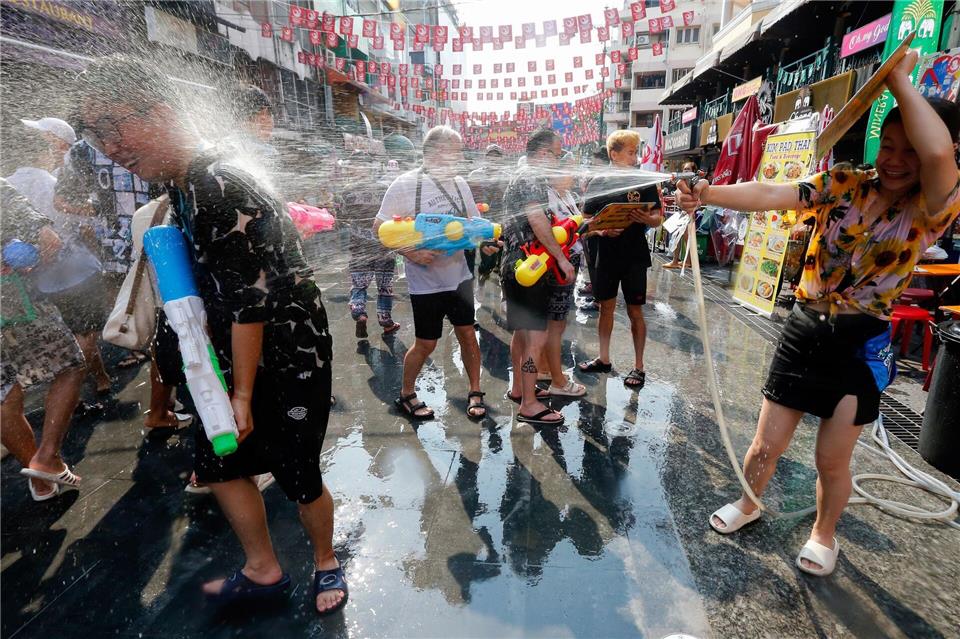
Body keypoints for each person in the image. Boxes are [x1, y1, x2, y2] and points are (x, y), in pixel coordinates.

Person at [76, 55, 345, 614]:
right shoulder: (179, 184)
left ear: (161, 111)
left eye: (112, 125)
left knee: (299, 473)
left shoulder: (216, 179)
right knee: (221, 462)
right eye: (93, 133)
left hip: (286, 352)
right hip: (226, 354)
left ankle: (325, 562)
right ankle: (263, 570)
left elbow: (251, 301)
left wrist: (241, 394)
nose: (109, 145)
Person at [676, 51, 960, 577]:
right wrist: (708, 192)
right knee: (766, 443)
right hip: (804, 329)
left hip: (860, 345)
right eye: (887, 145)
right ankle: (748, 501)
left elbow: (940, 153)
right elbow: (772, 192)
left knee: (831, 460)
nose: (894, 159)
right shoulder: (846, 180)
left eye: (909, 150)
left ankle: (824, 535)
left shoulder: (934, 207)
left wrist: (897, 82)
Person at [373, 126, 497, 420]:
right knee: (427, 343)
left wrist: (486, 243)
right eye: (455, 151)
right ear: (434, 152)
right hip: (425, 282)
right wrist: (412, 253)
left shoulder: (459, 184)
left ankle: (475, 390)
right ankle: (406, 394)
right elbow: (379, 228)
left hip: (460, 276)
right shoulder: (405, 185)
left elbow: (472, 224)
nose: (459, 157)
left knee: (468, 334)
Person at [9, 117, 113, 403]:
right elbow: (80, 225)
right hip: (76, 268)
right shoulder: (53, 183)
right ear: (42, 153)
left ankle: (74, 393)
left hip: (41, 277)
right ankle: (99, 379)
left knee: (67, 332)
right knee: (87, 330)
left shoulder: (8, 187)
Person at [1, 178, 86, 501]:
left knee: (3, 394)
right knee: (71, 364)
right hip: (12, 303)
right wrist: (38, 233)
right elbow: (16, 208)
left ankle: (39, 478)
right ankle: (47, 457)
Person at [577, 130, 663, 389]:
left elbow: (658, 217)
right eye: (630, 152)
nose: (635, 157)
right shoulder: (598, 182)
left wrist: (646, 219)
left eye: (636, 151)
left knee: (635, 310)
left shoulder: (642, 180)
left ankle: (639, 366)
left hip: (634, 254)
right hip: (605, 254)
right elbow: (584, 221)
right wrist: (602, 229)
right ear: (613, 154)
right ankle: (604, 358)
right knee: (606, 308)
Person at [500, 129, 573, 425]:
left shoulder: (519, 176)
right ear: (543, 154)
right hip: (529, 267)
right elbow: (537, 218)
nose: (557, 161)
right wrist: (560, 257)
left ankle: (519, 389)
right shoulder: (531, 177)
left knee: (521, 332)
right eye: (556, 155)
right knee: (536, 337)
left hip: (513, 265)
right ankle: (529, 404)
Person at [535, 151, 586, 397]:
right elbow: (555, 232)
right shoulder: (547, 196)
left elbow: (574, 227)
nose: (573, 176)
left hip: (568, 262)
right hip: (557, 266)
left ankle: (545, 368)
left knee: (557, 322)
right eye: (569, 170)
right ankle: (558, 381)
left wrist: (594, 228)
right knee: (554, 324)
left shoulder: (567, 195)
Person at [340, 151, 400, 338]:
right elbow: (394, 214)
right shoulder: (385, 188)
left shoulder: (347, 190)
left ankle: (359, 312)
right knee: (385, 286)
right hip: (384, 245)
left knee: (359, 285)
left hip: (359, 247)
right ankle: (386, 321)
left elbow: (341, 216)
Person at [467, 144, 512, 283]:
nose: (494, 159)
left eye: (497, 156)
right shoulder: (476, 175)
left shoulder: (506, 177)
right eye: (491, 156)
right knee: (487, 253)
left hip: (500, 220)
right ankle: (484, 271)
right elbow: (468, 197)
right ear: (486, 158)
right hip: (482, 220)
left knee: (498, 251)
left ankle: (495, 270)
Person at [663, 159, 698, 269]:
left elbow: (691, 194)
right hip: (681, 213)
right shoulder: (681, 181)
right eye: (684, 169)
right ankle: (676, 260)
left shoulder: (692, 182)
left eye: (688, 169)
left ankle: (687, 262)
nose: (686, 171)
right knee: (677, 236)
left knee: (687, 238)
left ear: (693, 171)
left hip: (688, 213)